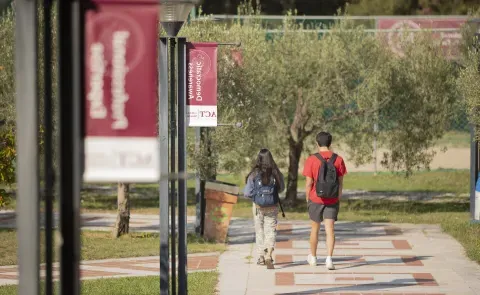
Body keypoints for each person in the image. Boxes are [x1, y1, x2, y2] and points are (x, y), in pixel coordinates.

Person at [302, 131, 347, 270]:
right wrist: (338, 197)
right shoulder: (338, 160)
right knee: (330, 230)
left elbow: (309, 183)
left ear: (317, 143)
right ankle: (329, 259)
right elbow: (340, 182)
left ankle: (314, 258)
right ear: (330, 143)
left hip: (316, 199)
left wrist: (307, 198)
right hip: (332, 200)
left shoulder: (311, 159)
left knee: (314, 230)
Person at [244, 148, 285, 268]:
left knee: (260, 231)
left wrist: (256, 196)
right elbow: (281, 188)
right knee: (271, 230)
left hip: (258, 207)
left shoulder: (254, 174)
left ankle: (261, 257)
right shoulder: (276, 173)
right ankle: (269, 255)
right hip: (273, 206)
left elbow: (247, 193)